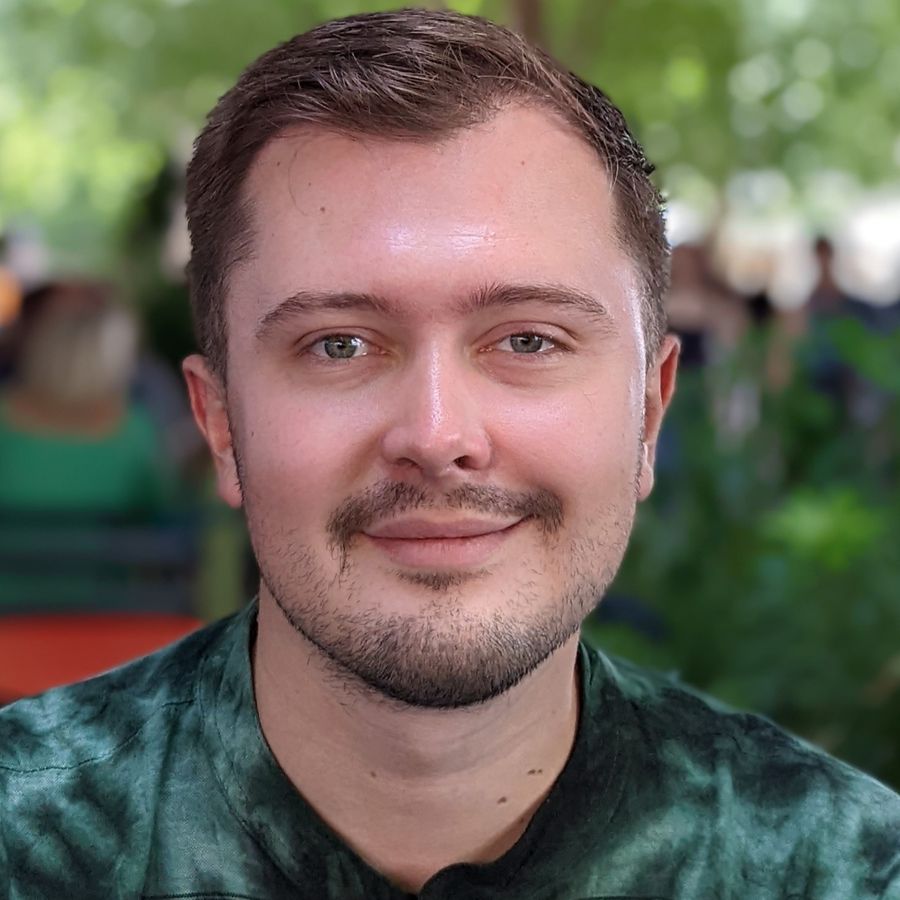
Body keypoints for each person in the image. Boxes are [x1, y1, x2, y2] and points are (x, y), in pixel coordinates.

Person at [1, 9, 897, 898]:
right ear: (221, 423)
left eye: (529, 341)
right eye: (339, 345)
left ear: (649, 415)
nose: (436, 437)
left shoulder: (841, 870)